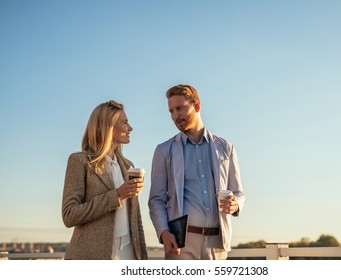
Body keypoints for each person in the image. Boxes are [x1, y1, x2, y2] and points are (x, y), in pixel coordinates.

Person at [148, 84, 245, 260]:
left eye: (180, 108)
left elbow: (238, 192)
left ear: (197, 106)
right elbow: (156, 200)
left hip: (218, 243)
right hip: (181, 243)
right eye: (171, 111)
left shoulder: (226, 148)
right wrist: (163, 232)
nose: (175, 115)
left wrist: (235, 204)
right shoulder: (163, 150)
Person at [62, 100, 148, 260]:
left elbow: (136, 218)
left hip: (128, 254)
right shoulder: (79, 161)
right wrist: (117, 196)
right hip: (92, 256)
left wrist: (142, 258)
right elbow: (69, 215)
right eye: (125, 122)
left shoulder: (129, 166)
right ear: (109, 126)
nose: (130, 128)